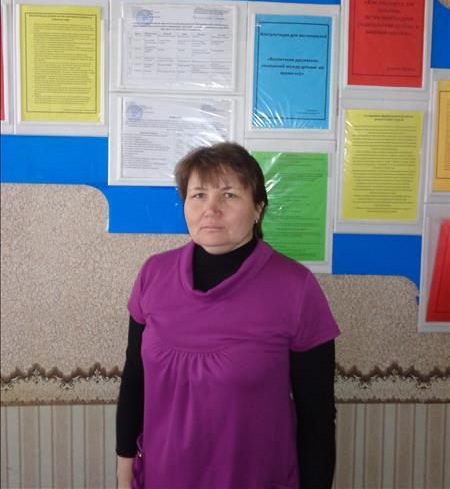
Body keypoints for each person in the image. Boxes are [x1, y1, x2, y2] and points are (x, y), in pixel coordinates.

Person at [116, 142, 340, 489]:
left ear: (258, 208)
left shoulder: (296, 288)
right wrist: (123, 472)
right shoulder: (153, 274)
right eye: (199, 195)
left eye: (229, 195)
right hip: (163, 476)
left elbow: (317, 417)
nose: (211, 209)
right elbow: (134, 381)